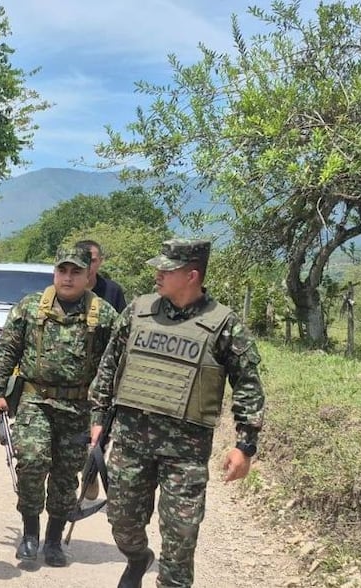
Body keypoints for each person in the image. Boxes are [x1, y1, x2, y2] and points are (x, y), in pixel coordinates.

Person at [88, 239, 265, 588]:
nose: (158, 274)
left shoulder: (223, 324)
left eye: (167, 270)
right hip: (131, 441)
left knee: (181, 538)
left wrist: (245, 445)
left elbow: (248, 384)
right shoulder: (138, 311)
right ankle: (138, 558)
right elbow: (109, 366)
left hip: (186, 452)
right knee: (123, 523)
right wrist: (98, 420)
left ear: (192, 275)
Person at [0, 244, 118, 567]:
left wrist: (107, 412)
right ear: (55, 273)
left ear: (89, 275)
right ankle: (30, 534)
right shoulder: (30, 308)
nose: (68, 278)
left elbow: (115, 363)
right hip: (35, 400)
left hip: (78, 408)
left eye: (76, 272)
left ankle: (54, 541)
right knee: (31, 461)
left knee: (64, 475)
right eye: (62, 271)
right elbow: (6, 352)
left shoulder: (103, 315)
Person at [75, 239, 127, 312]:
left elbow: (122, 321)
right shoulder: (64, 289)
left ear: (101, 261)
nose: (88, 265)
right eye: (83, 260)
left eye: (93, 261)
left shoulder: (113, 290)